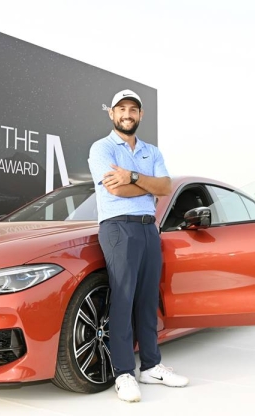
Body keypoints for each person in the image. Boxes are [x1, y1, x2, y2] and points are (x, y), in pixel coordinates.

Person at [88, 89, 189, 403]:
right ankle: (123, 373)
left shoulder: (151, 151)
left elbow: (165, 186)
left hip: (148, 230)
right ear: (112, 114)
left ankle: (151, 365)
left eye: (133, 109)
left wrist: (132, 175)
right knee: (123, 299)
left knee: (146, 300)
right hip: (118, 228)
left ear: (141, 115)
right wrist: (147, 186)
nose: (127, 114)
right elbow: (115, 191)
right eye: (121, 109)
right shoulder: (101, 148)